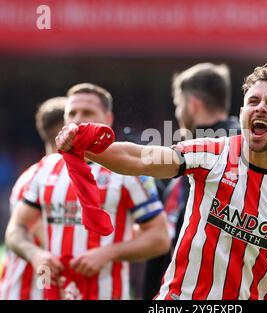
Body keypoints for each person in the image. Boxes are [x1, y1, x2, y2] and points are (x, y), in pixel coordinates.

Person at [56, 65, 267, 300]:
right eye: (253, 101)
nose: (260, 107)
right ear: (242, 112)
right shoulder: (211, 153)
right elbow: (141, 158)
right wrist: (82, 146)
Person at [5, 83, 170, 300]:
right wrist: (36, 255)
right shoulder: (45, 169)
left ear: (108, 119)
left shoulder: (128, 172)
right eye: (72, 113)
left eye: (88, 112)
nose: (78, 119)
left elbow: (160, 238)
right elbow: (16, 229)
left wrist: (108, 253)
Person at [143, 62, 241, 299]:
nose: (178, 113)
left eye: (178, 104)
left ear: (193, 104)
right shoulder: (248, 145)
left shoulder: (194, 154)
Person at [0, 97, 66, 299]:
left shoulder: (35, 175)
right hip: (29, 291)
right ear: (65, 129)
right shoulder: (40, 178)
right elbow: (44, 232)